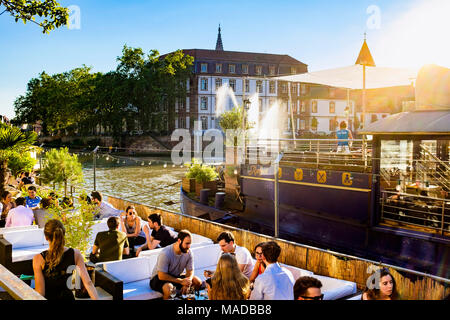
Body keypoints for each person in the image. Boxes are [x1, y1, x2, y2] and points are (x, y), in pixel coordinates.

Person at [32, 219, 98, 300]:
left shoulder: (38, 259)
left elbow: (40, 293)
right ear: (63, 234)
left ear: (46, 237)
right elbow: (88, 283)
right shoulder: (75, 254)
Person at [149, 230, 202, 300]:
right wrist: (181, 281)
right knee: (170, 289)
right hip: (159, 278)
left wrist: (187, 283)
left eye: (190, 244)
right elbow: (161, 275)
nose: (189, 246)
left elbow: (190, 270)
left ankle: (188, 300)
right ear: (179, 241)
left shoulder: (188, 252)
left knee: (197, 281)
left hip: (176, 276)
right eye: (187, 243)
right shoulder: (165, 253)